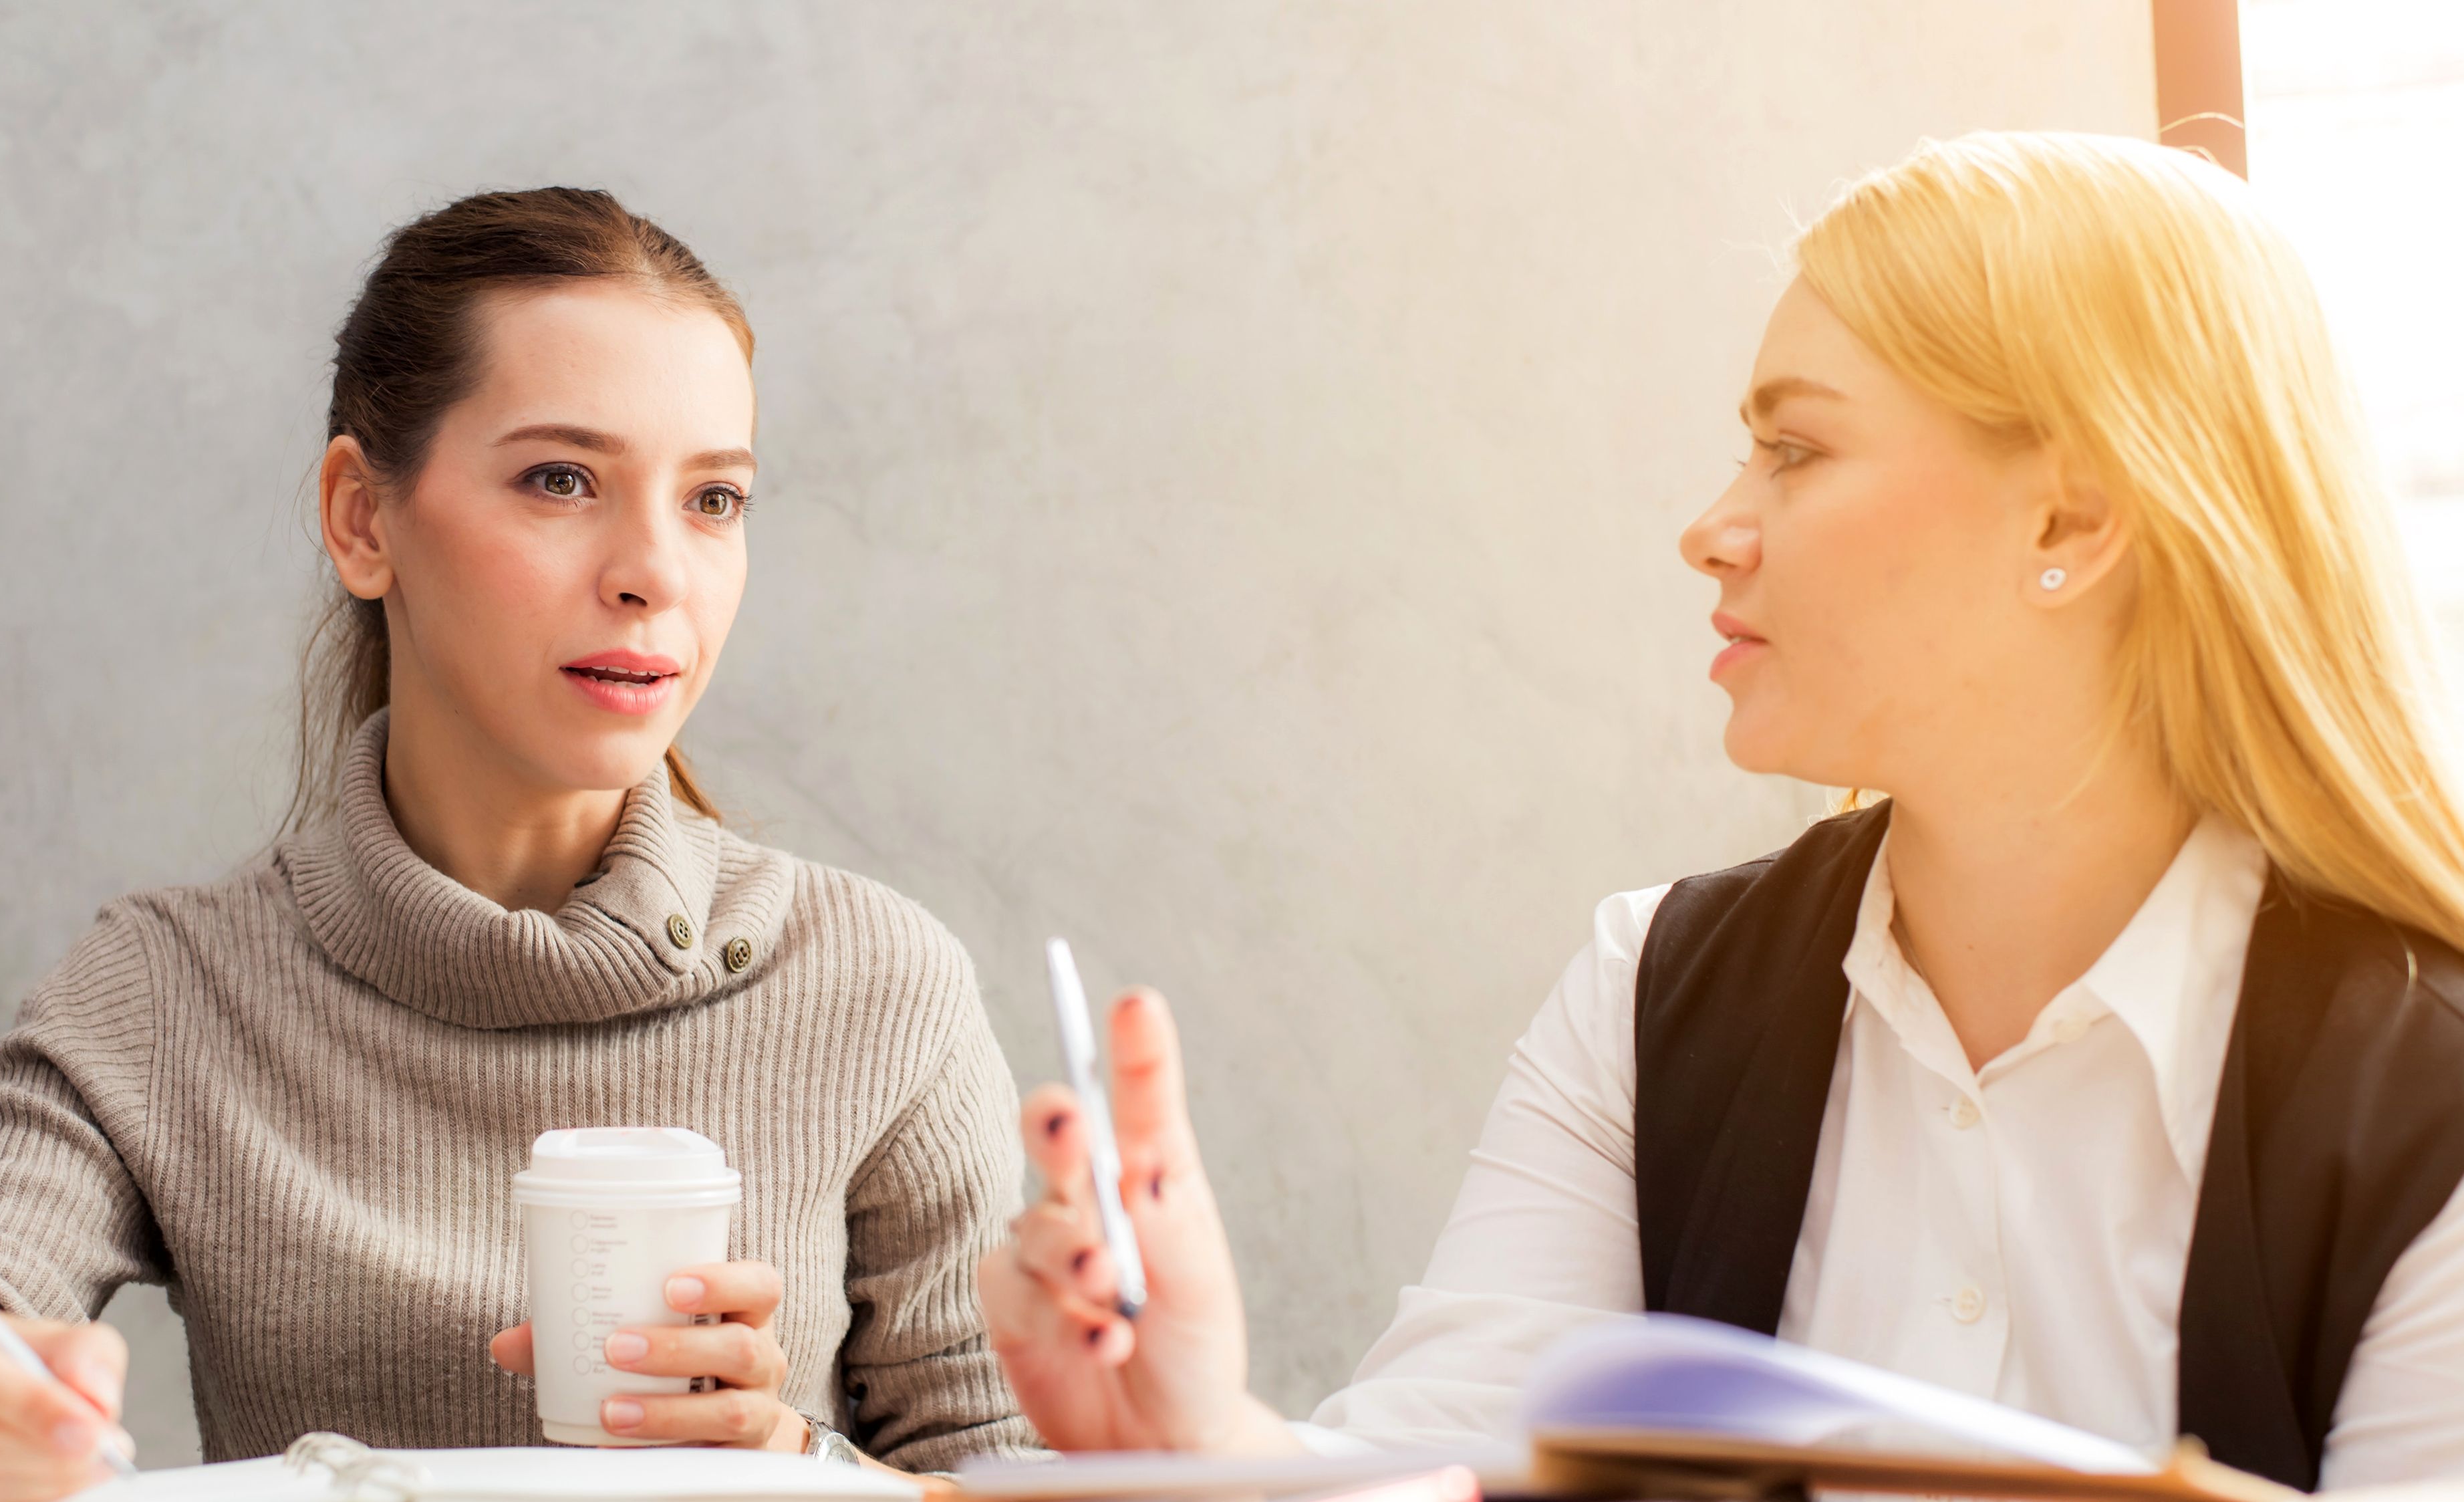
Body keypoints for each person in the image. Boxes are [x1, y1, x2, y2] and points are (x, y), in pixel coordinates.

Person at [979, 131, 2464, 1491]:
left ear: (2069, 520)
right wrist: (1200, 1437)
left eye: (1794, 448)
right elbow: (1439, 1472)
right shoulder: (1649, 991)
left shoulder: (2424, 1094)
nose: (1709, 528)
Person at [0, 187, 1030, 1502]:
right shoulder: (163, 991)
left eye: (714, 498)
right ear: (360, 518)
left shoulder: (880, 983)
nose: (654, 571)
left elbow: (1016, 1474)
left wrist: (799, 1463)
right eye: (562, 478)